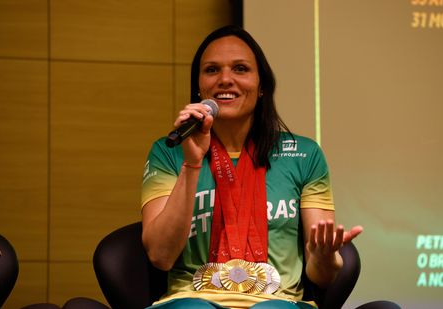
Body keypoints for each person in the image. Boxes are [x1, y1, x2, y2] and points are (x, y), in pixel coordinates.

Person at [141, 25, 363, 309]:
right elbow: (160, 255)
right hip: (191, 300)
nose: (225, 79)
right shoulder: (169, 151)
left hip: (276, 301)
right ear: (199, 87)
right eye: (211, 70)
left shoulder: (305, 155)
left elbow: (322, 276)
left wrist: (322, 257)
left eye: (240, 69)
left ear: (262, 87)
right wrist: (192, 164)